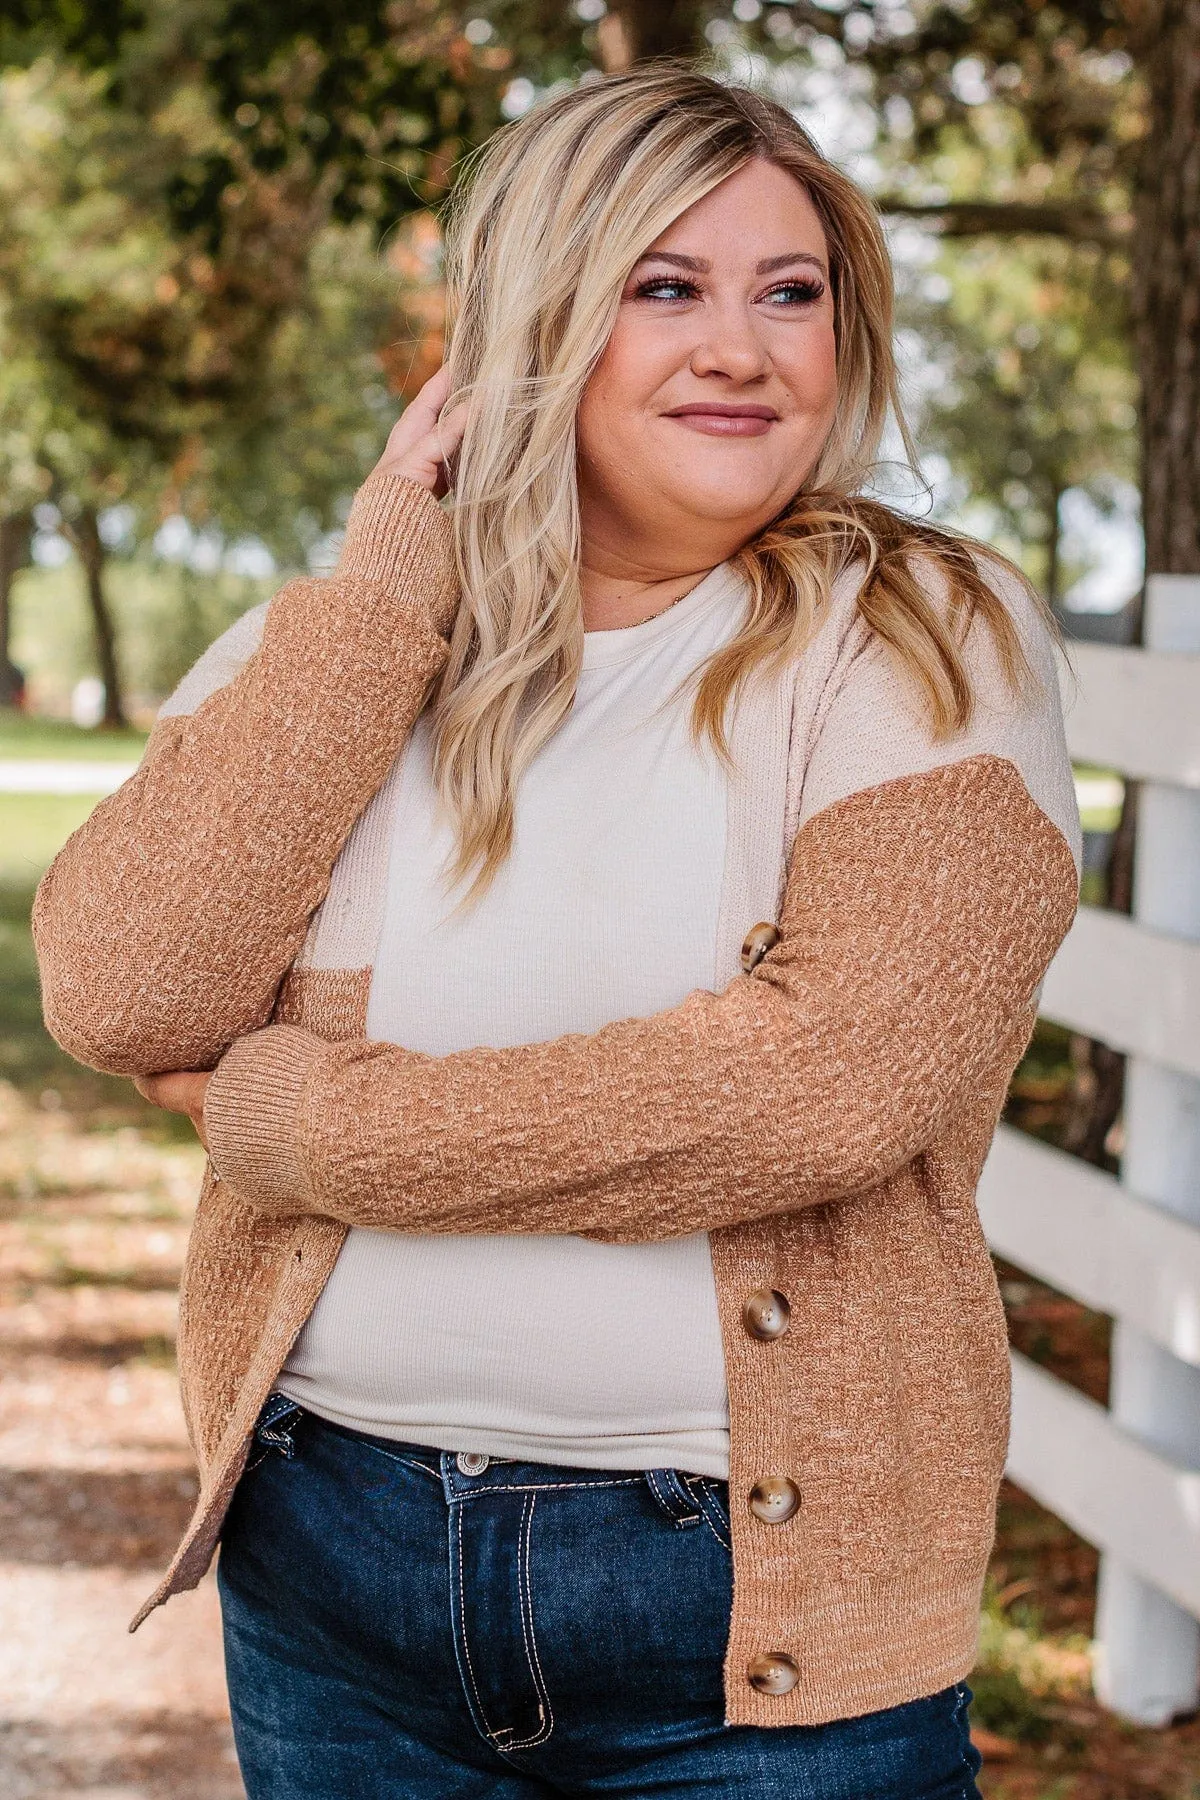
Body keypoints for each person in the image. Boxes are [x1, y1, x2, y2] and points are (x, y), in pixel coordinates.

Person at [32, 64, 1081, 1800]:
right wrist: (390, 588)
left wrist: (299, 1127)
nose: (744, 348)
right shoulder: (356, 641)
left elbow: (825, 1087)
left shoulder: (923, 635)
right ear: (534, 326)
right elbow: (120, 987)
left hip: (748, 1617)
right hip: (329, 1563)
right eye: (665, 287)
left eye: (791, 292)